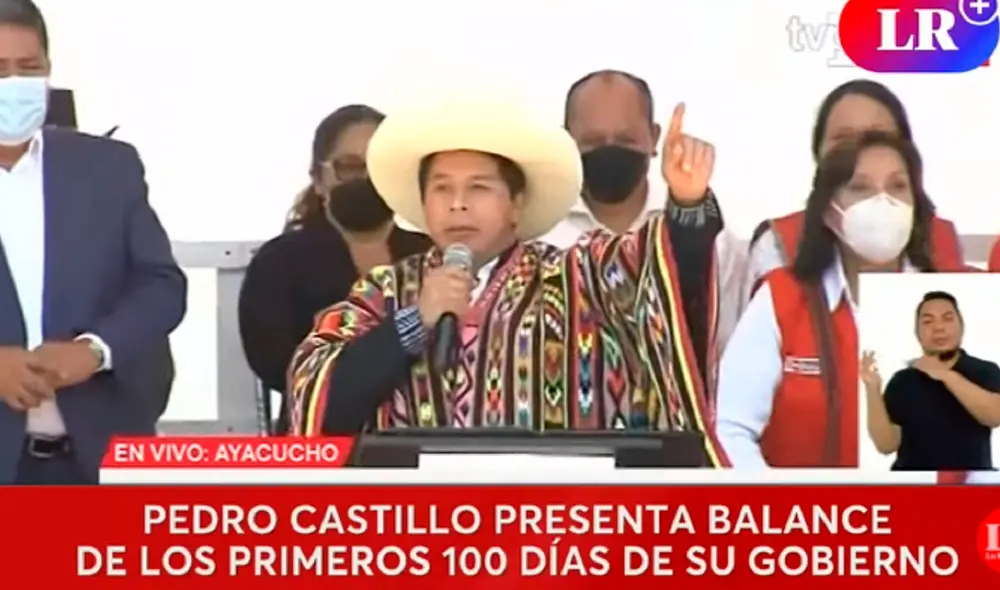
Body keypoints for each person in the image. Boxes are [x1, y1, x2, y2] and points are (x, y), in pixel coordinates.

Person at [286, 85, 728, 468]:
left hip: (559, 530)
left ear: (516, 204)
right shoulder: (384, 292)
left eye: (478, 187)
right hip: (419, 532)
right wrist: (412, 323)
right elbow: (320, 401)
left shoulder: (579, 276)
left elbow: (664, 272)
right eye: (442, 188)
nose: (458, 204)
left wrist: (687, 204)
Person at [0, 0, 186, 483]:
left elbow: (162, 285)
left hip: (97, 463)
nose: (14, 84)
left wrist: (95, 349)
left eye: (28, 68)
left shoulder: (107, 169)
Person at [714, 131, 967, 468]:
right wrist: (781, 510)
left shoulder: (951, 302)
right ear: (829, 211)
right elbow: (732, 430)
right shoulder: (781, 299)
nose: (883, 202)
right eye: (861, 188)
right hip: (811, 517)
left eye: (898, 187)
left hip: (930, 513)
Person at [542, 69, 745, 381]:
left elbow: (728, 352)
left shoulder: (706, 238)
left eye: (625, 139)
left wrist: (688, 202)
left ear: (653, 137)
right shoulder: (540, 235)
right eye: (593, 141)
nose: (609, 150)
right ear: (566, 141)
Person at [239, 106, 430, 433]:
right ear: (318, 178)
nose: (366, 179)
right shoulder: (281, 261)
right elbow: (274, 366)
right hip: (319, 444)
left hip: (425, 443)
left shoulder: (429, 254)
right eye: (349, 167)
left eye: (379, 167)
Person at [742, 79, 964, 301]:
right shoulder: (778, 243)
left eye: (879, 138)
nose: (862, 153)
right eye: (844, 141)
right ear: (818, 154)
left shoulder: (943, 240)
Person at [863, 291, 1000, 472]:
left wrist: (944, 374)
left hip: (967, 485)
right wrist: (872, 389)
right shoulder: (903, 380)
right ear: (917, 332)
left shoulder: (984, 370)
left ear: (961, 326)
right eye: (928, 321)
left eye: (947, 319)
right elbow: (886, 445)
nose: (938, 328)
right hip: (914, 486)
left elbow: (994, 416)